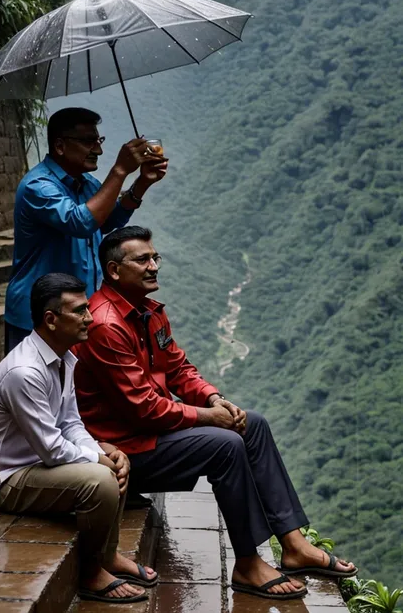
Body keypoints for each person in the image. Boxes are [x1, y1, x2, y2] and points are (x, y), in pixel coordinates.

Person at [73, 226, 358, 601]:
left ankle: (293, 543)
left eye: (155, 257)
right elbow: (143, 408)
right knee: (224, 445)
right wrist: (209, 419)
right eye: (143, 259)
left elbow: (178, 368)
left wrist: (213, 399)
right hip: (126, 450)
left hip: (151, 435)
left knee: (252, 423)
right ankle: (246, 563)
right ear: (113, 271)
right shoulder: (106, 325)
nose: (154, 265)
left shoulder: (149, 312)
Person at [0, 272, 158, 604]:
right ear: (51, 319)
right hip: (8, 479)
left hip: (39, 464)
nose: (90, 317)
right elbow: (50, 447)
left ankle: (110, 555)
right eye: (79, 311)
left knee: (115, 459)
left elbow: (71, 423)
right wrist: (97, 459)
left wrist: (101, 450)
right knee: (99, 479)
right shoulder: (25, 373)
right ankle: (91, 574)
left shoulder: (65, 358)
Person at [4, 107, 168, 354]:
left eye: (98, 140)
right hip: (39, 316)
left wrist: (143, 183)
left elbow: (107, 221)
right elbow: (80, 222)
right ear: (60, 146)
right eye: (88, 141)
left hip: (77, 311)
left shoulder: (86, 184)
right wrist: (120, 170)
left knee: (74, 387)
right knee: (33, 387)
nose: (98, 150)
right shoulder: (38, 186)